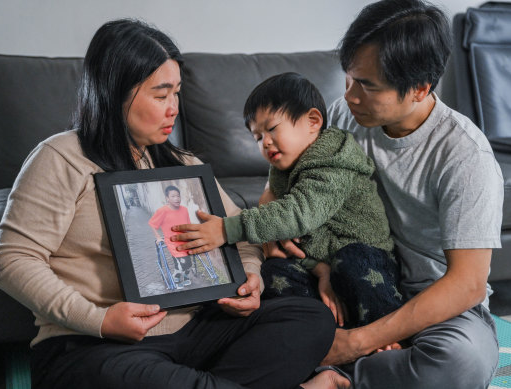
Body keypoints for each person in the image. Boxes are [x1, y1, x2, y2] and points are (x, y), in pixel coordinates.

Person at [0, 19, 335, 389]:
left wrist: (249, 278)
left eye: (177, 93)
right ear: (114, 93)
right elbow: (12, 260)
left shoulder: (183, 164)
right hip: (97, 344)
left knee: (310, 318)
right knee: (119, 376)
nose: (173, 108)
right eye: (160, 95)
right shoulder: (61, 156)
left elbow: (241, 232)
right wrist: (99, 320)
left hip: (195, 331)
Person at [249, 1, 504, 388]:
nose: (350, 96)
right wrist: (278, 235)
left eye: (367, 85)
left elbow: (467, 284)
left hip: (435, 305)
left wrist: (357, 341)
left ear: (420, 88)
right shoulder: (340, 116)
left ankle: (333, 374)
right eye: (349, 78)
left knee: (459, 363)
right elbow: (275, 189)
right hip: (343, 280)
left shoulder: (465, 155)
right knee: (256, 308)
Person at [172, 72, 404, 329]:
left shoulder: (334, 160)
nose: (265, 142)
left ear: (313, 121)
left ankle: (385, 328)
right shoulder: (282, 171)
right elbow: (292, 239)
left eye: (271, 128)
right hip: (320, 261)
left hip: (366, 258)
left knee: (353, 262)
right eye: (258, 137)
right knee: (273, 274)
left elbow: (299, 215)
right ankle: (319, 329)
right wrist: (318, 268)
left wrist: (227, 229)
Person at [149, 185, 193, 288]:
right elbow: (152, 224)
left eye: (178, 196)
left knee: (189, 264)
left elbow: (188, 225)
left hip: (185, 240)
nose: (177, 198)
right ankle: (176, 278)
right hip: (173, 242)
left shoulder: (184, 210)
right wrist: (158, 237)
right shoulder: (163, 211)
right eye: (173, 196)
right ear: (167, 198)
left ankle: (186, 277)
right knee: (181, 264)